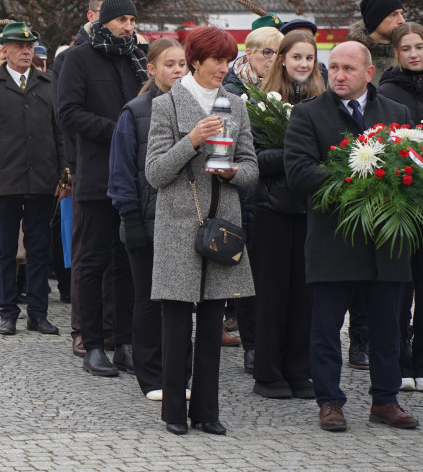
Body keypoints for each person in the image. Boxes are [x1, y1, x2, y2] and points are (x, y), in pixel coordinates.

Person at [285, 41, 418, 431]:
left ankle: (385, 399)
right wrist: (361, 172)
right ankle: (330, 401)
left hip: (386, 243)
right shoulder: (308, 114)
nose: (338, 76)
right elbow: (298, 173)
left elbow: (411, 168)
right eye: (333, 68)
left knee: (388, 326)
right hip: (334, 239)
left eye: (347, 69)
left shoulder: (397, 112)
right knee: (326, 328)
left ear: (368, 73)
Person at [146, 26, 258, 436]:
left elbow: (251, 167)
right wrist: (191, 140)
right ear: (196, 60)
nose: (224, 69)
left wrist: (233, 172)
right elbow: (155, 173)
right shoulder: (166, 105)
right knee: (176, 323)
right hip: (178, 223)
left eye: (229, 61)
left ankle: (207, 411)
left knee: (213, 325)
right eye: (218, 61)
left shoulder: (237, 106)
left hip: (222, 223)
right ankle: (174, 411)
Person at [57, 0, 144, 375]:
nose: (129, 28)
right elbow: (68, 113)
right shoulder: (76, 58)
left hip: (132, 179)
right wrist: (119, 131)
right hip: (95, 175)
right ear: (103, 21)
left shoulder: (135, 58)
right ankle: (93, 344)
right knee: (92, 262)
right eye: (123, 21)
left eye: (132, 21)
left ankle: (124, 341)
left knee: (126, 262)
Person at [0, 22, 68, 335]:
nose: (27, 51)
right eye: (19, 47)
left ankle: (38, 313)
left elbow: (59, 133)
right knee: (5, 250)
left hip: (42, 179)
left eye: (30, 47)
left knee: (39, 250)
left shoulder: (48, 82)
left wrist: (64, 173)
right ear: (6, 50)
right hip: (4, 179)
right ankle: (8, 312)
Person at [108, 38, 188, 400]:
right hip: (146, 220)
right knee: (148, 301)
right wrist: (132, 221)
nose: (177, 71)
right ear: (151, 68)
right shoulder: (135, 111)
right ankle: (151, 376)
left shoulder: (193, 109)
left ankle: (179, 373)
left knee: (180, 301)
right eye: (169, 64)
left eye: (182, 64)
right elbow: (121, 174)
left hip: (184, 220)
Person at [247, 32, 326, 399]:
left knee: (304, 295)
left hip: (311, 210)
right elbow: (254, 160)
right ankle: (268, 372)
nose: (304, 64)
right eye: (297, 57)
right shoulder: (262, 103)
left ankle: (299, 369)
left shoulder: (323, 103)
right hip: (273, 209)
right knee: (273, 294)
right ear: (282, 59)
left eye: (309, 58)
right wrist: (296, 152)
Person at [378, 22, 423, 392]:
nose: (414, 54)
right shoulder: (389, 91)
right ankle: (400, 361)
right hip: (403, 197)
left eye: (419, 47)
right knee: (401, 285)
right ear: (396, 52)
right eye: (406, 48)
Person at [349, 0, 405, 85]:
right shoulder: (350, 59)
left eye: (401, 14)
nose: (402, 21)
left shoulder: (409, 58)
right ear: (375, 19)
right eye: (393, 14)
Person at [223, 27, 283, 96]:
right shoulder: (229, 91)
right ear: (249, 54)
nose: (274, 59)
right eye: (267, 52)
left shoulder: (290, 86)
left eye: (279, 53)